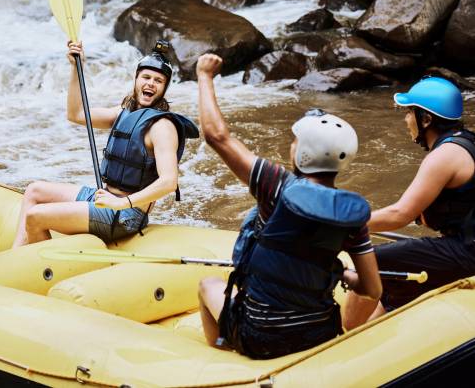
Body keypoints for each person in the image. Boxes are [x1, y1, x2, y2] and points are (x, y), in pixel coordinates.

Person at [195, 53, 382, 359]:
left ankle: (221, 360)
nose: (291, 145)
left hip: (260, 336)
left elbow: (217, 136)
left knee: (208, 285)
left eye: (295, 142)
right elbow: (372, 290)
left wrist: (204, 75)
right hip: (320, 333)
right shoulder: (351, 215)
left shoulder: (275, 185)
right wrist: (345, 275)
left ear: (305, 153)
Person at [11, 40, 199, 247]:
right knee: (34, 191)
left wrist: (122, 203)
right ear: (136, 79)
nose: (150, 84)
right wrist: (77, 67)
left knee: (36, 216)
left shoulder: (161, 126)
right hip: (104, 198)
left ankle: (39, 273)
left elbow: (169, 181)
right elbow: (76, 114)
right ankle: (15, 256)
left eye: (158, 80)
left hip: (125, 213)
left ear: (164, 89)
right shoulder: (123, 113)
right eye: (146, 77)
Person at [344, 76, 475, 327]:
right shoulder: (467, 142)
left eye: (408, 113)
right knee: (402, 270)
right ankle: (373, 330)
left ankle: (345, 333)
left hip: (467, 251)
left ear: (426, 119)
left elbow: (399, 215)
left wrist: (347, 224)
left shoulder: (444, 156)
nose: (406, 120)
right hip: (465, 244)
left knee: (373, 259)